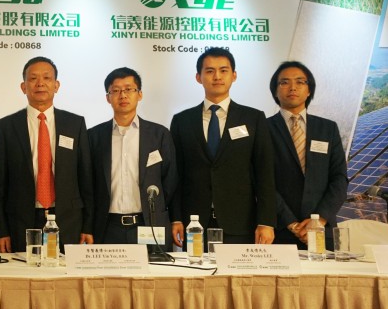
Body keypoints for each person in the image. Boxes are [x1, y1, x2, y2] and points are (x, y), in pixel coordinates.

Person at [170, 47, 276, 245]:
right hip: (194, 223)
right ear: (198, 77)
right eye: (209, 71)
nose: (217, 76)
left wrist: (266, 221)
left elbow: (265, 173)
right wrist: (176, 218)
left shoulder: (253, 118)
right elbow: (176, 175)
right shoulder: (181, 121)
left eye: (223, 70)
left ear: (234, 76)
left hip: (241, 223)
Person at [0, 56, 94, 253]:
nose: (40, 83)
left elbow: (86, 178)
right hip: (21, 221)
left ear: (56, 85)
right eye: (33, 78)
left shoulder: (75, 124)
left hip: (69, 220)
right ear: (23, 87)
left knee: (66, 272)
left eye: (47, 78)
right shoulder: (6, 127)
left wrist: (88, 225)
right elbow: (0, 184)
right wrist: (2, 230)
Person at [88, 68, 178, 248]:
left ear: (140, 94)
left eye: (129, 89)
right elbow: (88, 185)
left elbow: (171, 181)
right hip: (107, 228)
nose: (123, 95)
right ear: (108, 98)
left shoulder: (159, 135)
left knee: (153, 267)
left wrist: (176, 219)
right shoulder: (93, 136)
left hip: (149, 224)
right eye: (116, 90)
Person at [267, 61, 347, 249]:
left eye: (300, 82)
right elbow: (262, 181)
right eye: (284, 82)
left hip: (322, 230)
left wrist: (319, 220)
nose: (292, 87)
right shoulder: (262, 129)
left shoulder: (328, 128)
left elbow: (339, 178)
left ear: (309, 90)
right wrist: (291, 223)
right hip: (279, 230)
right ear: (275, 91)